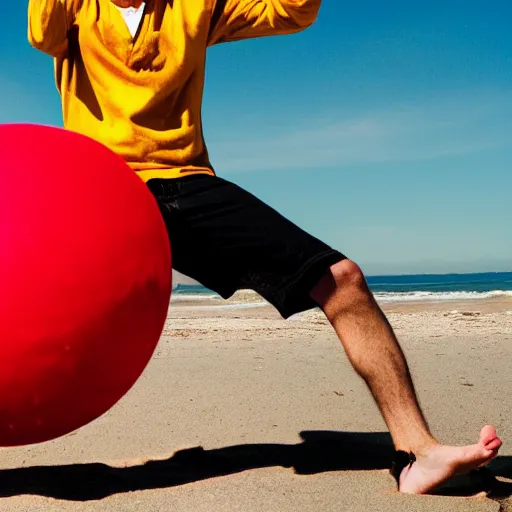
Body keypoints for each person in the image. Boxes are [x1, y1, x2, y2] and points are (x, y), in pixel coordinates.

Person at [27, 0, 502, 495]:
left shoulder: (195, 6)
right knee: (18, 301)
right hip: (101, 188)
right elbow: (42, 35)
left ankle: (418, 454)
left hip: (184, 184)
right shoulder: (76, 8)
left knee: (343, 280)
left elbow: (293, 11)